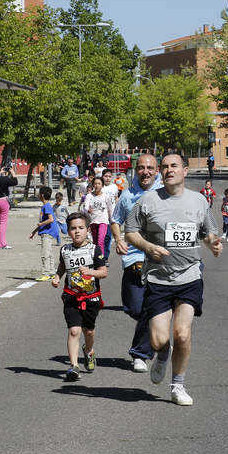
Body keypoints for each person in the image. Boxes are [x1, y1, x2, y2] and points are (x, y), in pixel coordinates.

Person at [125, 153, 223, 406]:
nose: (169, 170)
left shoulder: (199, 200)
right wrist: (147, 247)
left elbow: (209, 231)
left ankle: (177, 386)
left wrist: (213, 243)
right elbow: (130, 230)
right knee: (159, 340)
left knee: (182, 334)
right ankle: (162, 355)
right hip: (158, 279)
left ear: (185, 171)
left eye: (174, 166)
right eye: (165, 166)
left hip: (190, 276)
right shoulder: (148, 200)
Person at [110, 154, 163, 372]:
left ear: (157, 170)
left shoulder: (165, 193)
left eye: (150, 167)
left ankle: (140, 353)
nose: (146, 171)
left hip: (158, 261)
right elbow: (115, 220)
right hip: (132, 260)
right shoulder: (128, 195)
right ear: (136, 170)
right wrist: (118, 238)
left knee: (150, 309)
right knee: (134, 308)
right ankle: (155, 336)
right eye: (141, 167)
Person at [51, 212, 108, 381]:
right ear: (68, 231)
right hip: (71, 296)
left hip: (91, 296)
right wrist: (57, 276)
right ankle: (73, 366)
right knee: (74, 330)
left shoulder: (94, 249)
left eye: (81, 228)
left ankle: (89, 351)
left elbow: (103, 272)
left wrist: (90, 272)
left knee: (88, 331)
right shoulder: (65, 250)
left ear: (88, 230)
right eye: (73, 228)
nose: (77, 232)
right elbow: (62, 265)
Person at [30, 186, 60, 282]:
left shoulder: (46, 206)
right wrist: (34, 231)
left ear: (42, 195)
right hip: (48, 232)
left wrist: (41, 224)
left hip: (48, 233)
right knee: (49, 253)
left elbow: (50, 219)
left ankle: (46, 273)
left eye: (39, 193)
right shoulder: (46, 206)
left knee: (45, 253)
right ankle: (51, 272)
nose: (38, 195)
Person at [83, 176, 113, 258]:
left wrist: (112, 222)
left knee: (100, 241)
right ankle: (96, 258)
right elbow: (85, 207)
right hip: (93, 221)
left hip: (103, 221)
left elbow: (110, 210)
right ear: (93, 185)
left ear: (102, 185)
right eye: (95, 183)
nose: (97, 185)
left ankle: (101, 259)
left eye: (99, 184)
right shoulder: (89, 196)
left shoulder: (106, 196)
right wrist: (87, 210)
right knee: (95, 242)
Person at [101, 169, 119, 262]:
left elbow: (116, 198)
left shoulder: (114, 187)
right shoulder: (100, 187)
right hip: (101, 216)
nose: (107, 178)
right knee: (101, 237)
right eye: (106, 176)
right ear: (102, 176)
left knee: (108, 237)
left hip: (112, 217)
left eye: (109, 176)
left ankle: (105, 257)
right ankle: (100, 255)